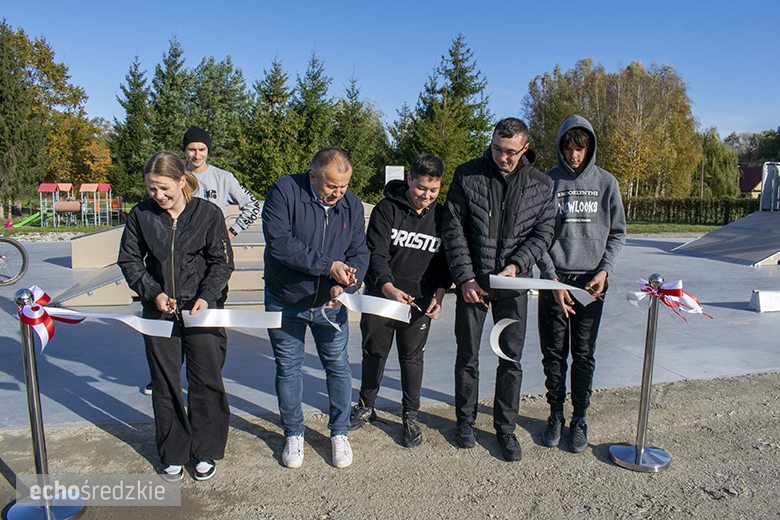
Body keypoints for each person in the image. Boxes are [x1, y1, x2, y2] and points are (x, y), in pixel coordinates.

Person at [442, 117, 555, 461]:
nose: (501, 157)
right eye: (496, 149)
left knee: (510, 358)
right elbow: (453, 229)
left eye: (509, 152)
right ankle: (465, 420)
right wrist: (464, 277)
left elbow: (544, 232)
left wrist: (518, 265)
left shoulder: (541, 184)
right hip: (473, 284)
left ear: (525, 148)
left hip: (512, 285)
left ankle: (505, 428)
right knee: (468, 356)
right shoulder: (468, 174)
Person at [118, 151, 234, 482]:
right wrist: (153, 293)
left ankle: (206, 451)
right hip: (158, 313)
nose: (158, 196)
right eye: (152, 189)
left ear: (182, 182)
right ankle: (173, 452)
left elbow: (222, 262)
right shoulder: (140, 215)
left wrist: (205, 298)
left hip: (201, 312)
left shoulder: (208, 214)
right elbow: (130, 261)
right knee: (165, 384)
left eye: (164, 189)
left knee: (206, 381)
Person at [262, 148, 370, 469]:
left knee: (338, 366)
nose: (338, 193)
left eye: (344, 186)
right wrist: (329, 267)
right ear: (313, 176)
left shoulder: (351, 204)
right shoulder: (284, 191)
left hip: (330, 304)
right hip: (285, 299)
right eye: (331, 186)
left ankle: (339, 431)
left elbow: (359, 252)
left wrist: (348, 282)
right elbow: (280, 243)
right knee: (288, 368)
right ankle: (294, 432)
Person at [142, 126, 261, 396]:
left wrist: (230, 232)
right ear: (184, 151)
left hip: (210, 260)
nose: (196, 154)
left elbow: (252, 204)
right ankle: (165, 375)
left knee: (210, 322)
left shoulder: (223, 178)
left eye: (201, 150)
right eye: (192, 149)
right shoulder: (171, 175)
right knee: (169, 323)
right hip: (176, 258)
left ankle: (210, 374)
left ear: (208, 151)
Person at [536, 115, 626, 453]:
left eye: (580, 149)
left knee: (584, 354)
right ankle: (555, 414)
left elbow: (617, 233)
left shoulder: (607, 183)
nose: (574, 156)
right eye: (568, 149)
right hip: (555, 281)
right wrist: (551, 278)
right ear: (560, 148)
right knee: (553, 352)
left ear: (589, 148)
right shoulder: (547, 182)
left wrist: (604, 271)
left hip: (591, 283)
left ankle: (579, 418)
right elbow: (539, 236)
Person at [349, 153, 451, 447]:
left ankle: (410, 415)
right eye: (421, 188)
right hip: (383, 297)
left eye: (433, 191)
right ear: (410, 180)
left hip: (419, 302)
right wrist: (388, 288)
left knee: (412, 358)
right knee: (374, 352)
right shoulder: (386, 209)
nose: (426, 196)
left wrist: (440, 294)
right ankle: (367, 405)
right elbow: (376, 255)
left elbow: (445, 265)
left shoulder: (442, 216)